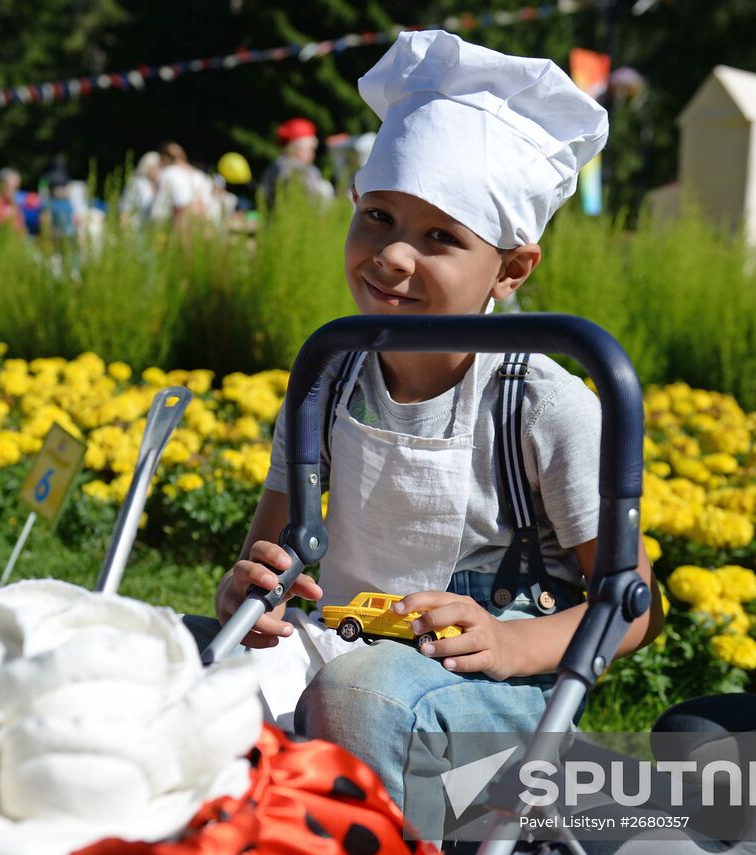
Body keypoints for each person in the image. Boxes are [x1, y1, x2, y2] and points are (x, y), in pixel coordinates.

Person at [210, 31, 661, 808]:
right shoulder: (327, 377)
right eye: (379, 217)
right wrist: (252, 595)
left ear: (512, 269)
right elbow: (274, 550)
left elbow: (632, 605)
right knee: (200, 676)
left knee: (361, 698)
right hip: (344, 641)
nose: (392, 256)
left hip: (490, 687)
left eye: (440, 237)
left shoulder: (540, 403)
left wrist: (512, 642)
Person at [257, 117, 335, 211]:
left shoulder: (276, 166)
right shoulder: (291, 170)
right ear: (295, 148)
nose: (313, 155)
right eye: (310, 149)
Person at [150, 142, 217, 227]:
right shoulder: (200, 176)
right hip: (202, 225)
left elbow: (160, 207)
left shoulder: (169, 173)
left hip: (179, 224)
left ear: (165, 157)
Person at [119, 151, 162, 226]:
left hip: (152, 228)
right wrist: (125, 229)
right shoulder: (137, 183)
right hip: (135, 227)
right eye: (155, 166)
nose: (158, 170)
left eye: (160, 166)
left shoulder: (160, 185)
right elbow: (125, 208)